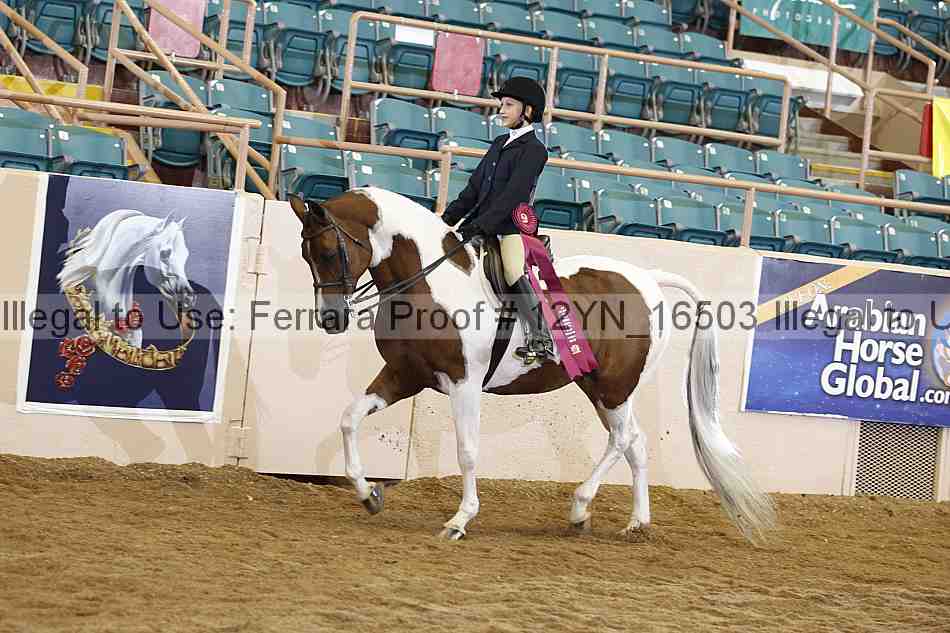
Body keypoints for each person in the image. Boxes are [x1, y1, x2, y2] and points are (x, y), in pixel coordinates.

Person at [440, 76, 554, 365]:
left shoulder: (535, 150)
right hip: (480, 224)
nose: (501, 110)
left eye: (508, 105)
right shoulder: (499, 143)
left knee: (513, 270)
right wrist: (446, 219)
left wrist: (482, 226)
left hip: (509, 227)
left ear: (527, 110)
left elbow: (514, 195)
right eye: (501, 104)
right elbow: (474, 188)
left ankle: (540, 336)